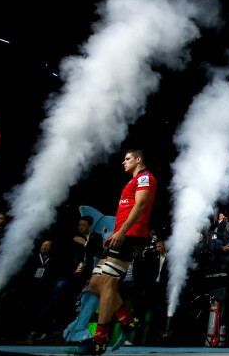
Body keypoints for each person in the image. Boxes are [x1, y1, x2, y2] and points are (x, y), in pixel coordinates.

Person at [70, 149, 156, 355]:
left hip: (133, 235)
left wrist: (123, 232)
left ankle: (99, 340)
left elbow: (141, 204)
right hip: (125, 234)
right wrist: (117, 231)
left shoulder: (145, 177)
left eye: (127, 159)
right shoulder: (133, 181)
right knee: (95, 284)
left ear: (138, 159)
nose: (123, 162)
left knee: (107, 283)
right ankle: (127, 320)